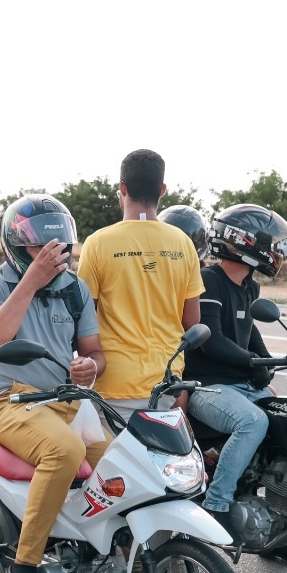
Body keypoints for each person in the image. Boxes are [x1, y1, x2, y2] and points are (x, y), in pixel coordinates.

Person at [0, 195, 107, 573]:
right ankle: (24, 565)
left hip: (66, 399)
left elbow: (95, 352)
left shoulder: (75, 289)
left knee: (124, 459)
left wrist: (89, 368)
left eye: (60, 247)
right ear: (15, 246)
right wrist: (30, 281)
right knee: (64, 451)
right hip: (11, 399)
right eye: (39, 248)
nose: (53, 256)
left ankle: (114, 550)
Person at [183, 204, 287, 566]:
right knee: (253, 422)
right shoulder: (209, 280)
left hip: (238, 384)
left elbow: (249, 329)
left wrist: (266, 358)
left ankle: (280, 528)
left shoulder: (248, 284)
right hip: (206, 387)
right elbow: (211, 339)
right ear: (245, 242)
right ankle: (217, 504)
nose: (277, 250)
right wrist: (254, 363)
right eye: (271, 242)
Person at [77, 149, 204, 420]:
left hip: (112, 382)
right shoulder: (183, 243)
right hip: (166, 383)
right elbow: (192, 321)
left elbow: (83, 317)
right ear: (162, 190)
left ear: (122, 188)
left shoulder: (98, 243)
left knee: (111, 462)